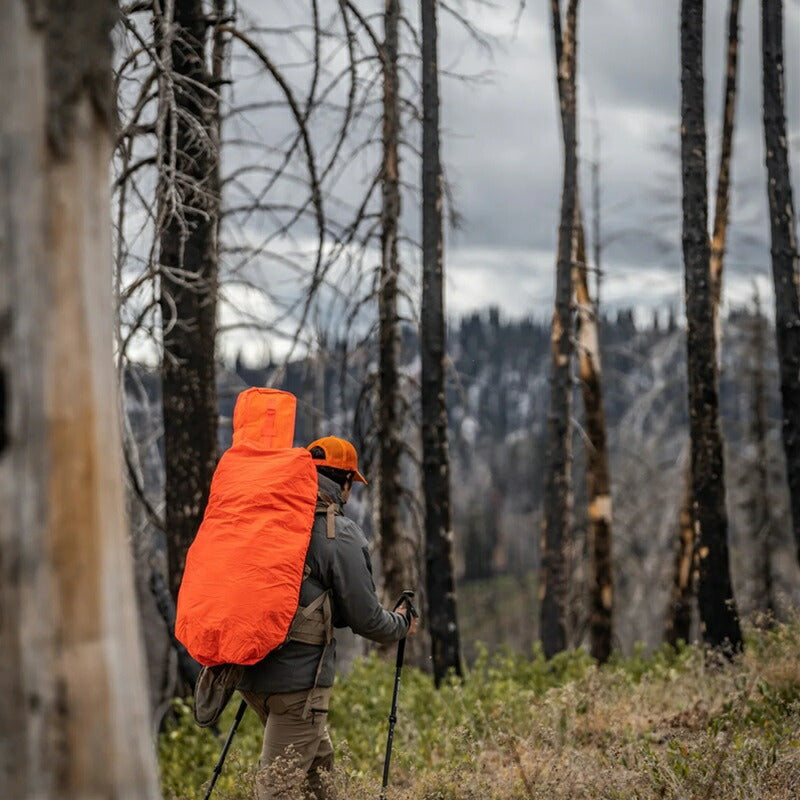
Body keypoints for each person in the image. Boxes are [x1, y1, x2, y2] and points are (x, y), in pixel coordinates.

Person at [238, 435, 418, 799]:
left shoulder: (271, 519)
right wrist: (401, 624)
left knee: (319, 778)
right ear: (346, 482)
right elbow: (367, 620)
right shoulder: (339, 535)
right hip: (299, 686)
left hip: (249, 674)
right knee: (276, 790)